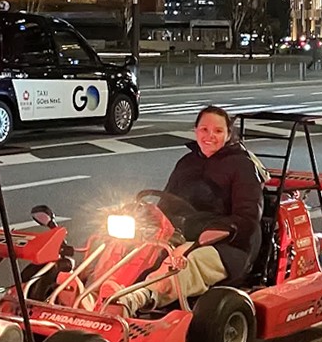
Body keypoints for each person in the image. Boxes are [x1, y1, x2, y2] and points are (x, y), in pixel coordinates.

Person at [113, 106, 263, 314]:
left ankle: (137, 298)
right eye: (204, 130)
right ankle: (94, 288)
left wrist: (212, 235)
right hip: (182, 232)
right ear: (195, 131)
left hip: (227, 243)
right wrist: (142, 215)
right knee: (131, 246)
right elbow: (166, 204)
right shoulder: (186, 163)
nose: (210, 136)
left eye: (218, 131)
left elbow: (248, 218)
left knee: (182, 262)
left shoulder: (242, 166)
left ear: (228, 134)